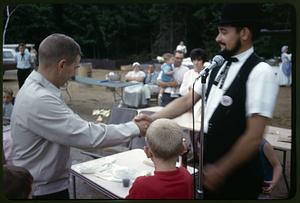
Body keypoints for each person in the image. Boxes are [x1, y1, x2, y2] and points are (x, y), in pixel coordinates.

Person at [135, 3, 279, 199]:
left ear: (244, 33)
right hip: (211, 168)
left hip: (238, 176)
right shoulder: (217, 64)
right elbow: (186, 101)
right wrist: (153, 118)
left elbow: (254, 136)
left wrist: (221, 169)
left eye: (223, 32)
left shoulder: (261, 72)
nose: (217, 38)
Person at [10, 33, 149, 199]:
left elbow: (75, 125)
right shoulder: (39, 98)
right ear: (62, 65)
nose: (74, 73)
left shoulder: (38, 88)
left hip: (42, 183)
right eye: (75, 67)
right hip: (43, 191)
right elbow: (87, 135)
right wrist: (134, 128)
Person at [126, 118, 193, 199]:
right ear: (182, 149)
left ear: (148, 152)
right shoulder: (187, 176)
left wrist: (147, 180)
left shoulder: (142, 185)